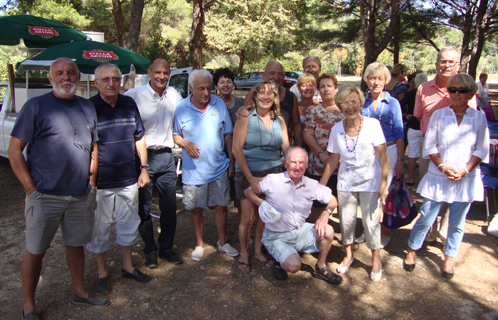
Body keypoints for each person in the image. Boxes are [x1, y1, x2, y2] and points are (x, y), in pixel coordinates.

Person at [8, 58, 107, 320]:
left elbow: (94, 146)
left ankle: (79, 291)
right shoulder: (36, 106)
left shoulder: (87, 106)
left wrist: (91, 181)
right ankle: (29, 305)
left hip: (79, 195)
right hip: (44, 195)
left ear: (78, 77)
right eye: (60, 74)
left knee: (76, 245)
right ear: (51, 79)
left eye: (71, 73)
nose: (66, 78)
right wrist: (31, 190)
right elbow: (14, 150)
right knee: (35, 250)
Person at [403, 73, 489, 279]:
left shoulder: (479, 117)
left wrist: (465, 170)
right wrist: (443, 168)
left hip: (465, 178)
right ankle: (412, 249)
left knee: (457, 222)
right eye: (452, 90)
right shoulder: (439, 115)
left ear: (471, 93)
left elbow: (482, 148)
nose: (456, 94)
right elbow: (430, 145)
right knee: (426, 216)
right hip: (438, 175)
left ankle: (449, 257)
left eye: (462, 90)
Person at [86, 63, 151, 295]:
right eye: (105, 79)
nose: (111, 83)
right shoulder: (88, 107)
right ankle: (102, 273)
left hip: (127, 179)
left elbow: (139, 138)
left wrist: (144, 168)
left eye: (115, 78)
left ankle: (127, 266)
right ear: (96, 83)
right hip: (100, 182)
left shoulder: (129, 103)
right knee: (99, 228)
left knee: (128, 224)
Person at [244, 147, 343, 284]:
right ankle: (280, 261)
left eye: (301, 163)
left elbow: (333, 200)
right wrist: (261, 203)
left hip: (299, 231)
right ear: (286, 163)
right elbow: (248, 192)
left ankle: (321, 266)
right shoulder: (273, 180)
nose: (297, 167)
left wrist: (325, 214)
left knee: (328, 231)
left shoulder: (311, 184)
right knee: (294, 265)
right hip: (276, 236)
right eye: (293, 162)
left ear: (307, 165)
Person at [321, 85, 389, 282]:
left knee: (371, 222)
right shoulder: (336, 129)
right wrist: (323, 184)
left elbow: (383, 156)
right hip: (346, 182)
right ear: (340, 106)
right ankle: (348, 254)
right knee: (347, 221)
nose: (350, 106)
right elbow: (333, 160)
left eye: (354, 101)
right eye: (345, 102)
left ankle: (376, 258)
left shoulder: (373, 125)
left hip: (370, 182)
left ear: (360, 103)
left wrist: (383, 183)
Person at [173, 69, 239, 261]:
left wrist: (232, 162)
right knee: (195, 208)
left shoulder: (218, 103)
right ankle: (199, 244)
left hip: (218, 166)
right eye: (201, 88)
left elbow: (228, 134)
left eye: (208, 88)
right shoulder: (181, 107)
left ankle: (222, 242)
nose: (205, 93)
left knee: (221, 206)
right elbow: (176, 134)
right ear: (191, 88)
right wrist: (185, 143)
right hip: (194, 171)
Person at [413, 47, 477, 244]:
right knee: (429, 193)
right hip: (430, 148)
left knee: (455, 191)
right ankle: (427, 232)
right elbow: (419, 116)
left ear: (458, 65)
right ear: (436, 64)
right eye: (442, 61)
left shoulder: (466, 90)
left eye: (451, 61)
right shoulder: (423, 89)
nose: (446, 65)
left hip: (460, 150)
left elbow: (473, 120)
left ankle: (444, 230)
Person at [125, 57, 183, 268]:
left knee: (169, 207)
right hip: (142, 158)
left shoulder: (175, 95)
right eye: (157, 72)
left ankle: (166, 248)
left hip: (167, 156)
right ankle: (150, 250)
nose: (161, 77)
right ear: (149, 72)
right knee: (144, 207)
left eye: (165, 73)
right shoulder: (134, 96)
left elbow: (187, 115)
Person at [233, 80, 290, 273]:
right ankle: (244, 253)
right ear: (255, 96)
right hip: (248, 172)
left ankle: (258, 251)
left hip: (274, 174)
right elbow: (236, 150)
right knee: (247, 218)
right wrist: (251, 180)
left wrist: (294, 169)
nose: (265, 97)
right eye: (262, 93)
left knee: (264, 217)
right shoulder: (245, 118)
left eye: (270, 93)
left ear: (274, 98)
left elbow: (287, 149)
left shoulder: (280, 121)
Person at [360, 62, 404, 248]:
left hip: (390, 150)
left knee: (385, 192)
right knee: (369, 191)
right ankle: (368, 230)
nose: (376, 82)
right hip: (368, 152)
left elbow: (400, 132)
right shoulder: (362, 101)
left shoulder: (393, 103)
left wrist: (401, 160)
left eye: (380, 78)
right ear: (366, 80)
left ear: (385, 80)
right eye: (372, 78)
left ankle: (385, 232)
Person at [303, 73, 344, 222]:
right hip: (318, 164)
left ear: (336, 88)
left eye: (329, 86)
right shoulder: (314, 111)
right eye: (322, 86)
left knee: (343, 202)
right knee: (318, 202)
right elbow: (307, 134)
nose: (326, 89)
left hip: (341, 166)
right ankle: (314, 234)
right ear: (318, 90)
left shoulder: (345, 111)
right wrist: (321, 153)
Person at [237, 61, 303, 146]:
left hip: (282, 150)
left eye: (279, 74)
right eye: (272, 73)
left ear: (283, 77)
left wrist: (299, 149)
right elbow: (239, 121)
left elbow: (296, 126)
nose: (276, 77)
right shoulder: (252, 95)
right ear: (264, 75)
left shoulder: (291, 97)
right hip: (255, 150)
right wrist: (240, 111)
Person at [400, 73, 427, 185]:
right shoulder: (428, 94)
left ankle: (411, 178)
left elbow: (400, 104)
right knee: (426, 155)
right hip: (425, 126)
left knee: (412, 154)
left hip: (413, 125)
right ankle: (424, 180)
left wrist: (406, 114)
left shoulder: (411, 93)